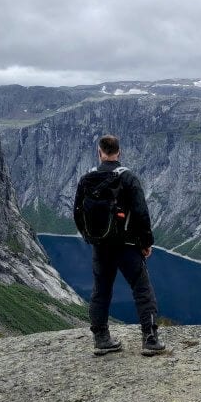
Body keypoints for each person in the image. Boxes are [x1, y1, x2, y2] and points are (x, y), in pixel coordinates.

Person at [73, 134, 166, 356]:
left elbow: (77, 212)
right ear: (119, 152)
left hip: (101, 247)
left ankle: (101, 339)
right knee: (142, 289)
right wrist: (146, 243)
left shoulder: (87, 179)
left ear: (100, 152)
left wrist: (89, 237)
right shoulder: (128, 178)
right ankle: (150, 339)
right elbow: (142, 213)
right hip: (127, 246)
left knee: (101, 290)